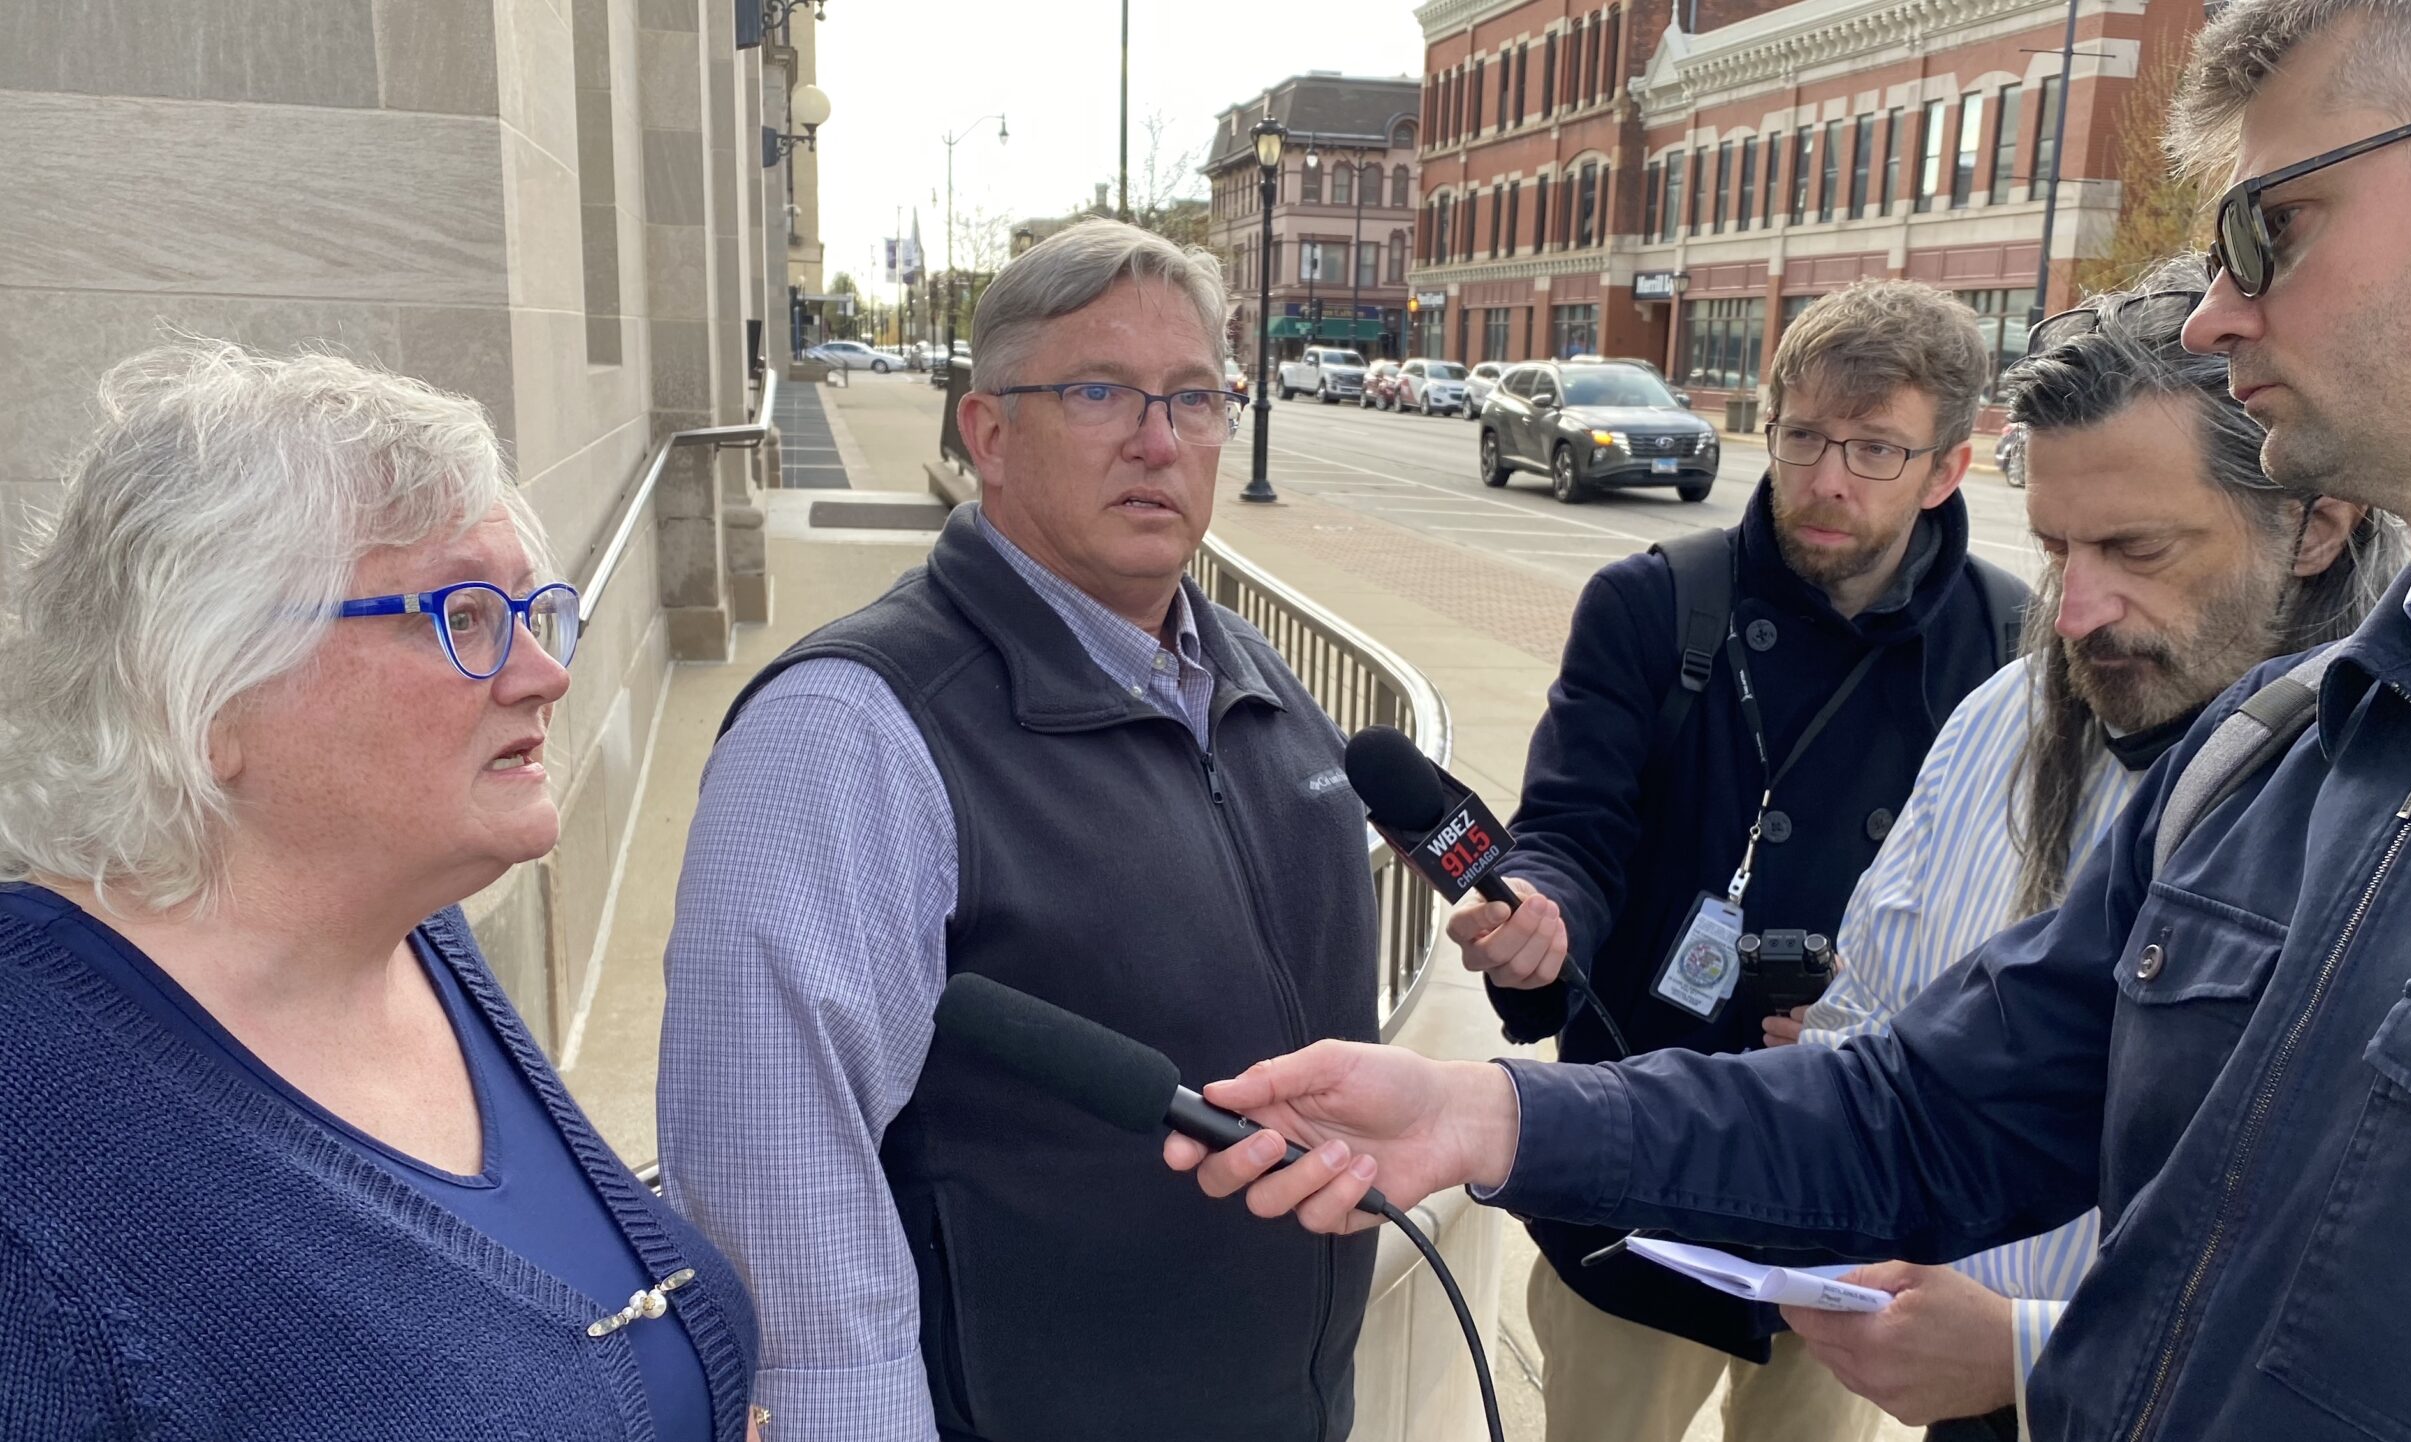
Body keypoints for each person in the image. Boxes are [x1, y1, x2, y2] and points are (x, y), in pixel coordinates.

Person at [1168, 4, 2411, 1438]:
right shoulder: (2268, 762)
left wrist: (2021, 1349)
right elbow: (1927, 1115)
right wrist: (1495, 1117)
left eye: (2279, 222)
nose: (2213, 308)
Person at [658, 220, 1380, 1442]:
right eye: (1100, 391)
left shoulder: (1253, 677)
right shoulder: (849, 733)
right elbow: (777, 1202)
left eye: (1194, 397)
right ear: (984, 433)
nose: (1159, 439)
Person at [0, 343, 759, 1439]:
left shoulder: (412, 934)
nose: (544, 672)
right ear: (201, 688)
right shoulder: (32, 1161)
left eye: (528, 609)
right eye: (460, 613)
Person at [1757, 265, 2398, 1439]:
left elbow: (2402, 1298)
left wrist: (2027, 1346)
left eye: (2136, 549)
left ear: (2316, 522)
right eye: (2057, 548)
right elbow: (1879, 1019)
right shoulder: (2005, 715)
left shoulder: (2407, 807)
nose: (2075, 610)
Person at [1451, 278, 2026, 1442]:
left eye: (1874, 449)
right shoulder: (1652, 605)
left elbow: (2029, 912)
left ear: (1947, 468)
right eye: (1805, 435)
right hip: (1641, 1166)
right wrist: (1545, 917)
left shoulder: (2010, 642)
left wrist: (1885, 1023)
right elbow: (1574, 826)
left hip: (1853, 1197)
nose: (1825, 479)